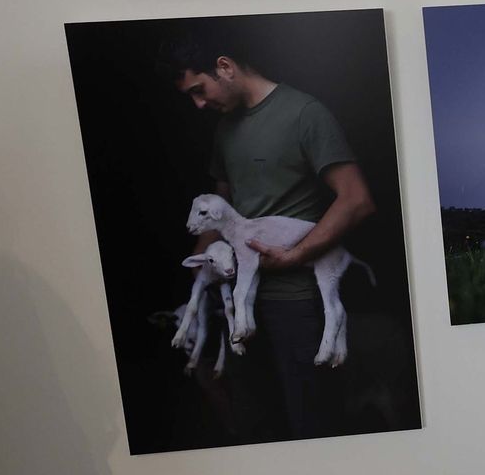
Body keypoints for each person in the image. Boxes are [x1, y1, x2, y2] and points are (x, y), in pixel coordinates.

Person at [160, 30, 375, 440]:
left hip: (297, 306)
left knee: (313, 431)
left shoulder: (304, 114)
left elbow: (356, 199)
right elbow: (219, 205)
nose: (198, 103)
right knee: (253, 432)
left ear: (224, 66)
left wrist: (297, 255)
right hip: (240, 312)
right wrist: (200, 276)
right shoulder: (225, 129)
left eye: (198, 90)